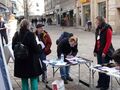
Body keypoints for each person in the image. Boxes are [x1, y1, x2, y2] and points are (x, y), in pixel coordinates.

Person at [12, 19, 43, 90]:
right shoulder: (31, 34)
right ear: (28, 26)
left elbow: (13, 47)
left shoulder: (16, 34)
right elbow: (36, 49)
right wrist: (40, 45)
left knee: (24, 80)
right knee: (34, 79)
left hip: (20, 61)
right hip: (31, 62)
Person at [94, 16, 114, 90]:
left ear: (100, 21)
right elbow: (97, 41)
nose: (95, 22)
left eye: (96, 21)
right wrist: (95, 50)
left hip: (105, 53)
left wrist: (104, 52)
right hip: (99, 52)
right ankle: (100, 83)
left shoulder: (107, 28)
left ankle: (105, 86)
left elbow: (108, 42)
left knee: (105, 69)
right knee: (100, 68)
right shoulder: (98, 29)